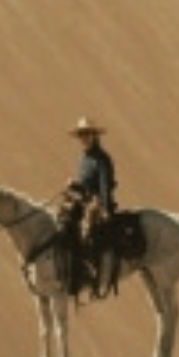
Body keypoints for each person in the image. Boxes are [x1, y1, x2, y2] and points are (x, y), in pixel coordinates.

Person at [58, 118, 117, 295]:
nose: (84, 138)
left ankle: (93, 271)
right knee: (63, 219)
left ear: (94, 135)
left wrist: (104, 208)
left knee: (87, 230)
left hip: (97, 204)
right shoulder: (84, 158)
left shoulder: (102, 159)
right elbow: (85, 186)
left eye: (87, 134)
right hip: (84, 201)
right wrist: (74, 186)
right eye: (81, 135)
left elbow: (105, 185)